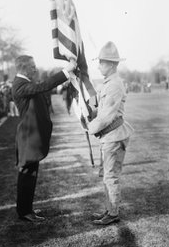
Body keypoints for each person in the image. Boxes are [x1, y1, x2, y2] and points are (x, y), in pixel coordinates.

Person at [12, 55, 76, 223]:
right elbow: (42, 86)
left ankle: (26, 208)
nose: (35, 68)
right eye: (32, 66)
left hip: (30, 138)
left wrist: (66, 80)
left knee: (29, 176)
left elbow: (44, 89)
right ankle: (25, 211)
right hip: (28, 138)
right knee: (27, 176)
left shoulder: (25, 83)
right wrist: (65, 71)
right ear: (24, 68)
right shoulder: (20, 85)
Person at [87, 41, 134, 225]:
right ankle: (109, 209)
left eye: (102, 62)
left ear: (112, 64)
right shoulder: (109, 83)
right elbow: (102, 109)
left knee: (110, 176)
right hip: (110, 135)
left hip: (114, 135)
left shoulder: (114, 85)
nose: (98, 66)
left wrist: (90, 127)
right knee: (108, 174)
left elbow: (106, 116)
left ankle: (113, 213)